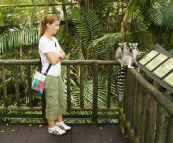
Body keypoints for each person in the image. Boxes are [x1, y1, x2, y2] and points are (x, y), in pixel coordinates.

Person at [38, 14, 71, 135]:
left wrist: (58, 55)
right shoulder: (44, 41)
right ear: (48, 25)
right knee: (52, 102)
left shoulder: (54, 40)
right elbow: (52, 60)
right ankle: (51, 127)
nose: (58, 28)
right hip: (50, 76)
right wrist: (58, 56)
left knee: (61, 100)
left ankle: (59, 122)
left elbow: (64, 54)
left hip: (57, 75)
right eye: (56, 25)